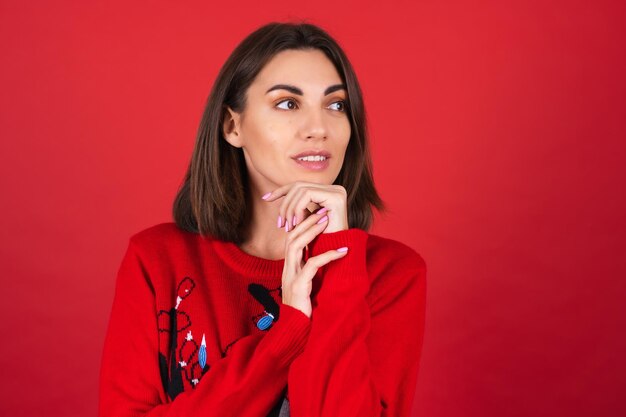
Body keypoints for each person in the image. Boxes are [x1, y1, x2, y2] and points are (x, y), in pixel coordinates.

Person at [98, 21, 427, 417]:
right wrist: (285, 336)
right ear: (232, 126)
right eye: (288, 103)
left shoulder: (391, 274)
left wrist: (338, 266)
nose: (319, 128)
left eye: (336, 105)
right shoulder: (156, 261)